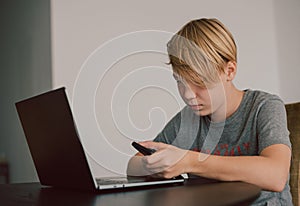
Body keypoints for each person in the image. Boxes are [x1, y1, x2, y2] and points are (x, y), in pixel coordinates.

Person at [127, 18, 292, 205]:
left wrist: (189, 161)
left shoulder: (264, 106)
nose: (188, 95)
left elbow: (276, 175)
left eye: (199, 82)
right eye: (180, 82)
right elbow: (133, 166)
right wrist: (154, 164)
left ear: (229, 71)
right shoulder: (187, 120)